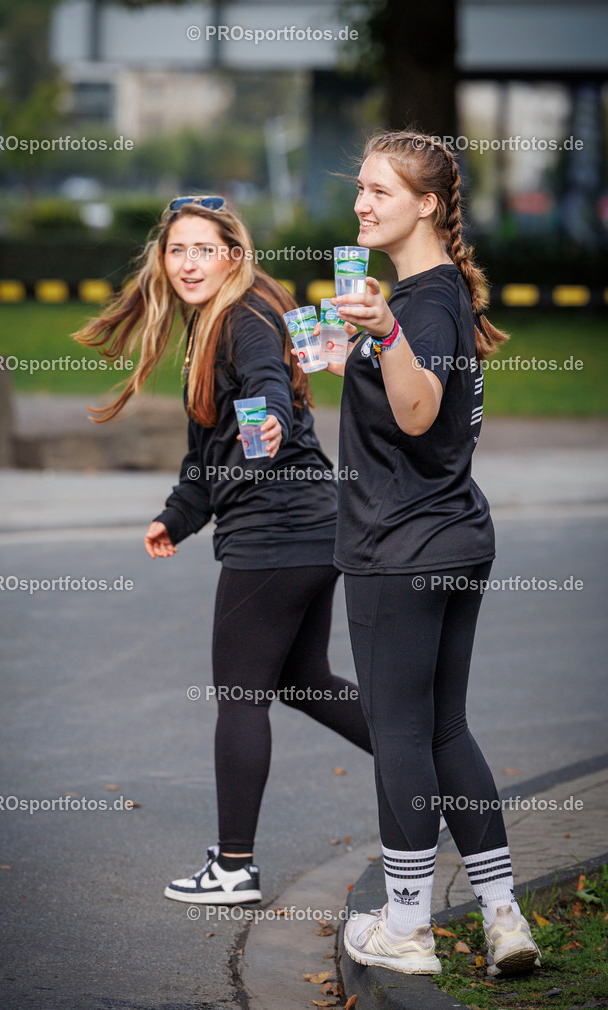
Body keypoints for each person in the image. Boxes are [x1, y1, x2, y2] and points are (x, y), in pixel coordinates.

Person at [75, 195, 372, 905]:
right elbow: (209, 449)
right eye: (176, 250)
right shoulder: (221, 321)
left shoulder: (241, 320)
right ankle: (427, 765)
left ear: (233, 256)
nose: (186, 263)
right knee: (302, 681)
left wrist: (267, 422)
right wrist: (177, 518)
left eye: (202, 249)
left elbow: (268, 388)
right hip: (307, 529)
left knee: (241, 695)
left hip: (273, 534)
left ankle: (234, 868)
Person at [307, 132, 541, 977]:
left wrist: (384, 333)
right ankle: (503, 916)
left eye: (379, 190)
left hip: (398, 544)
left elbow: (416, 413)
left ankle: (405, 924)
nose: (362, 203)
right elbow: (423, 422)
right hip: (453, 534)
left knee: (401, 731)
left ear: (428, 205)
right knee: (443, 729)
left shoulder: (422, 304)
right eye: (359, 188)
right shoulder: (431, 295)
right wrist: (359, 347)